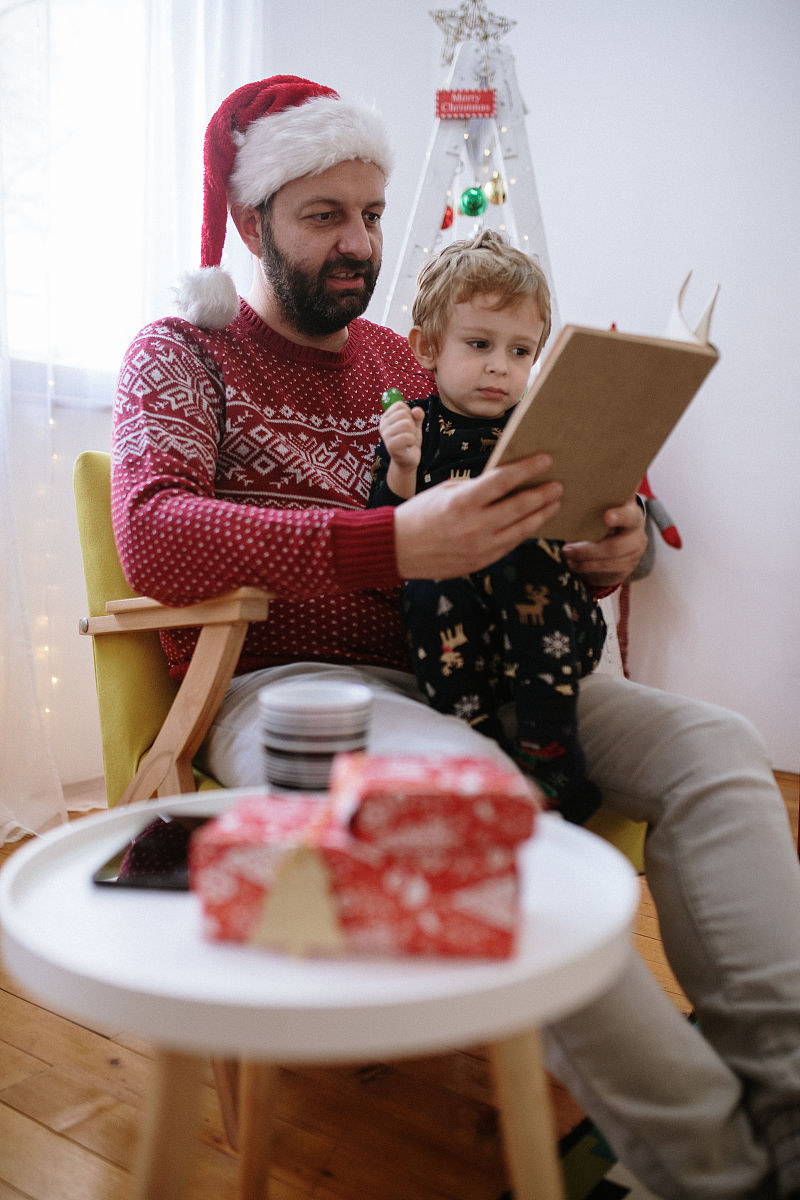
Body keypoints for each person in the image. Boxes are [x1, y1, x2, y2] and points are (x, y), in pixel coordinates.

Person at [111, 75, 800, 1199]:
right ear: (249, 224)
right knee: (476, 791)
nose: (358, 243)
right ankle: (711, 1172)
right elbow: (152, 536)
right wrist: (386, 545)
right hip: (298, 684)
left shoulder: (407, 358)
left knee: (715, 748)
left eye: (372, 215)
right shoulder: (180, 355)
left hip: (482, 661)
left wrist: (608, 541)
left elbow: (531, 491)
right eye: (322, 216)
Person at [368, 230, 606, 824]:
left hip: (550, 631)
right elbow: (382, 537)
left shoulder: (537, 428)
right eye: (479, 344)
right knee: (427, 580)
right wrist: (402, 467)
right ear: (427, 347)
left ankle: (552, 749)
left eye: (521, 352)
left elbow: (584, 519)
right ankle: (472, 734)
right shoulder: (416, 431)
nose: (500, 366)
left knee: (524, 555)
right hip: (460, 641)